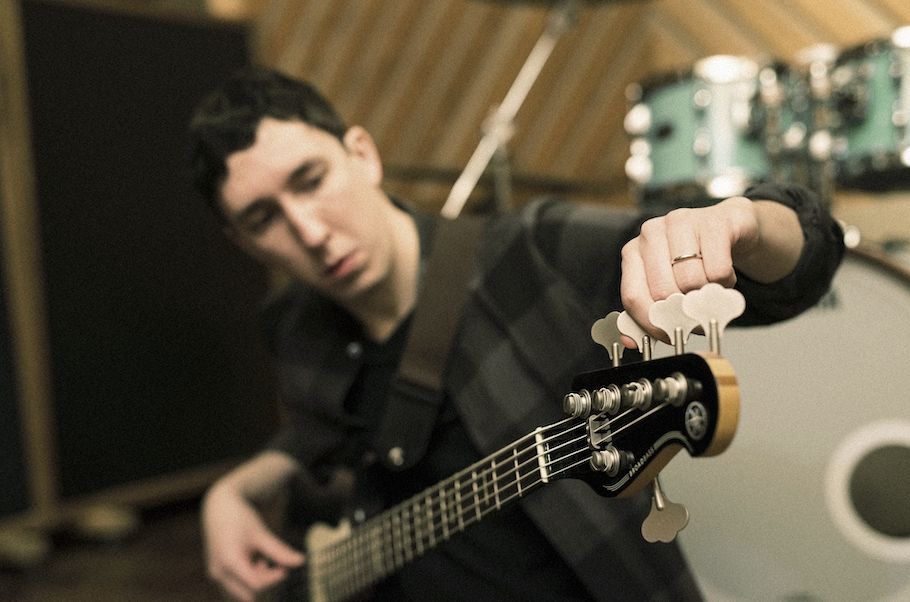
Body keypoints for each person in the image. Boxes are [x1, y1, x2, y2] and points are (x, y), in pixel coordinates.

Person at [189, 66, 844, 601]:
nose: (308, 231)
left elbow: (801, 267)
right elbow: (317, 435)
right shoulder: (293, 326)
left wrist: (746, 223)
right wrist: (232, 492)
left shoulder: (530, 254)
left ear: (362, 154)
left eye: (311, 180)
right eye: (263, 217)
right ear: (241, 241)